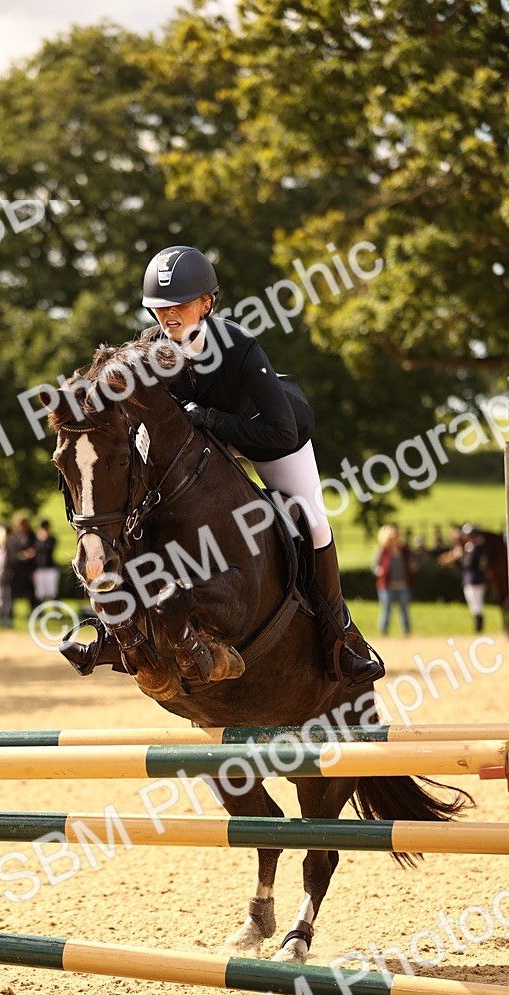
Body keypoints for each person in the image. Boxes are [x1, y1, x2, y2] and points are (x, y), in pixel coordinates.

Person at [141, 245, 384, 687]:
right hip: (209, 448)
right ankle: (117, 624)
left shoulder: (239, 347)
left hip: (269, 434)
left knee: (312, 523)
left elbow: (281, 433)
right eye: (159, 307)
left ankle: (340, 641)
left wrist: (211, 419)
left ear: (206, 304)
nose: (168, 316)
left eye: (178, 305)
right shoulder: (151, 350)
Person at [372, 525, 414, 635]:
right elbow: (374, 566)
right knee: (386, 611)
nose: (394, 538)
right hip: (386, 587)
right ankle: (384, 633)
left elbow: (411, 561)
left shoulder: (404, 550)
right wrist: (378, 570)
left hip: (403, 586)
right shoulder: (383, 551)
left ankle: (406, 632)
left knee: (404, 611)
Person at [2, 515, 36, 627]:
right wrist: (23, 555)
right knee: (9, 597)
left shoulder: (31, 536)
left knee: (31, 595)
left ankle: (34, 615)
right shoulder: (13, 539)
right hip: (13, 571)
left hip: (25, 572)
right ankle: (7, 620)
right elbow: (12, 555)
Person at [459, 524, 490, 634]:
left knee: (477, 606)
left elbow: (469, 564)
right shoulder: (471, 548)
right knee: (474, 605)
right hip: (471, 579)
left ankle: (478, 629)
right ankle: (477, 628)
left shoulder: (476, 548)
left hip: (475, 580)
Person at [33, 519, 60, 602]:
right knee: (40, 592)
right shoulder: (36, 539)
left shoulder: (51, 539)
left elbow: (50, 548)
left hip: (50, 566)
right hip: (40, 567)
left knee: (53, 591)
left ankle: (56, 609)